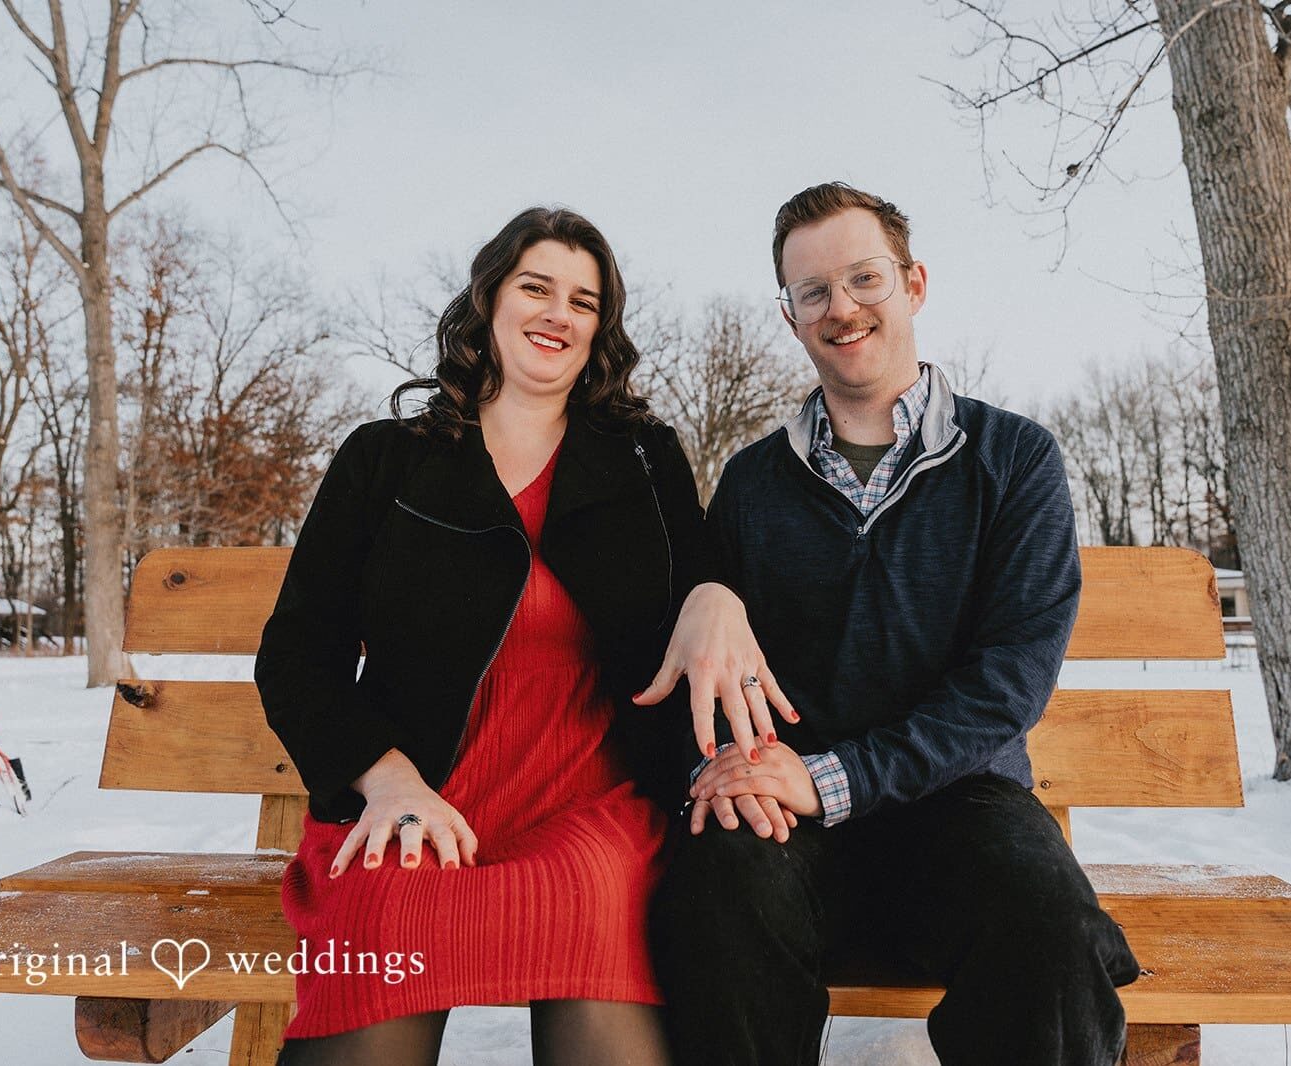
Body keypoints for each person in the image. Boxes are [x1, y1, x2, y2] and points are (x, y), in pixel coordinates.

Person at [254, 206, 782, 1066]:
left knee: (591, 900)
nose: (558, 313)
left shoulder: (644, 458)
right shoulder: (386, 459)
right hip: (420, 797)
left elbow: (700, 574)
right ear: (490, 301)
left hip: (587, 806)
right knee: (387, 913)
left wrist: (718, 596)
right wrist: (387, 781)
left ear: (599, 330)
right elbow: (297, 655)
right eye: (536, 287)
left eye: (583, 301)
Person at [641, 183, 1141, 1066]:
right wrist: (728, 762)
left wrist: (834, 779)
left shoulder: (1012, 460)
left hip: (961, 803)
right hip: (786, 817)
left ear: (913, 283)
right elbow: (704, 665)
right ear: (791, 316)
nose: (842, 307)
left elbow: (1008, 683)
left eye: (864, 278)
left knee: (1048, 926)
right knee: (714, 890)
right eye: (813, 291)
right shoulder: (753, 484)